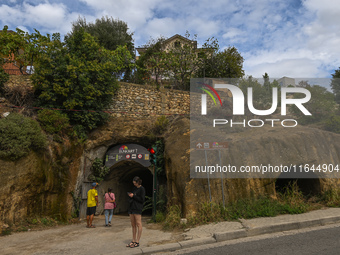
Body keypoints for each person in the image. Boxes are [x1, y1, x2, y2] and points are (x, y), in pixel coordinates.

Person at [126, 176, 145, 248]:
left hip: (137, 208)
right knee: (133, 225)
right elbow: (133, 196)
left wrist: (133, 196)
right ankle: (133, 240)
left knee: (138, 224)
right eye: (133, 183)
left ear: (138, 182)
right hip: (131, 207)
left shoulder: (142, 189)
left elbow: (142, 199)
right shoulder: (134, 188)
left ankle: (137, 241)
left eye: (135, 183)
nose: (134, 184)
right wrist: (131, 195)